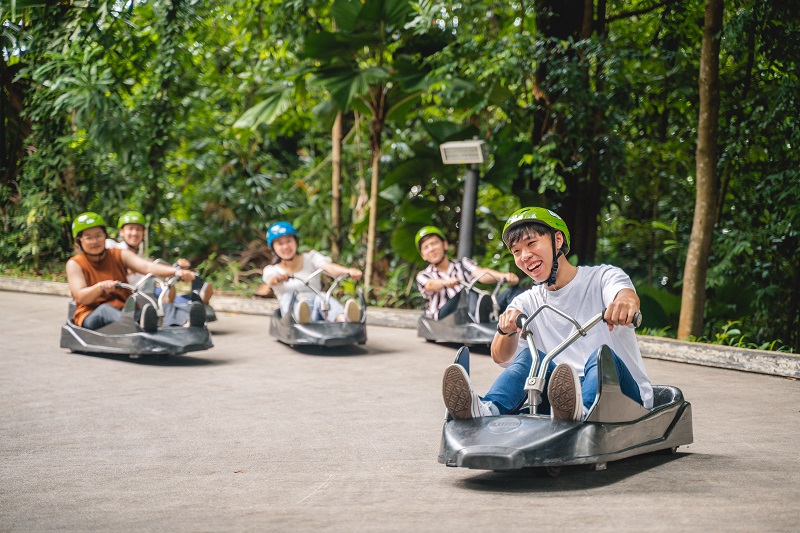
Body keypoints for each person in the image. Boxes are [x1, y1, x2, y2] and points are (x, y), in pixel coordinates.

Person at [441, 207, 653, 421]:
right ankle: (488, 409)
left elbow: (624, 294)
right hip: (561, 398)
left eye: (531, 244)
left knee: (600, 356)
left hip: (624, 396)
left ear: (557, 240)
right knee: (529, 359)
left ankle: (585, 411)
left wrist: (625, 303)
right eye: (516, 251)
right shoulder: (526, 301)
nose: (524, 256)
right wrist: (505, 330)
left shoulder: (602, 277)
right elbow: (500, 356)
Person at [67, 212, 206, 331]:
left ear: (105, 236)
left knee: (164, 307)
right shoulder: (75, 263)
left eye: (98, 235)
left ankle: (180, 326)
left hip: (125, 311)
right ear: (78, 242)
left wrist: (176, 272)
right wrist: (99, 288)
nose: (95, 241)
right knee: (106, 310)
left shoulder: (119, 254)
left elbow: (147, 267)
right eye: (88, 237)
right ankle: (142, 328)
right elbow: (81, 297)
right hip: (91, 314)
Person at [414, 225, 523, 322]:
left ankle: (519, 321)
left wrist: (503, 276)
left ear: (445, 245)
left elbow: (481, 273)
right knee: (465, 292)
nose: (431, 249)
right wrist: (446, 282)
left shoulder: (463, 264)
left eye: (434, 243)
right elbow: (430, 285)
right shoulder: (423, 275)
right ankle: (479, 316)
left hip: (472, 307)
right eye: (426, 247)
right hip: (443, 315)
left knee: (511, 292)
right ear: (423, 255)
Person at [261, 221, 362, 323]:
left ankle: (344, 319)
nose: (286, 247)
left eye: (288, 241)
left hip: (317, 308)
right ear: (273, 248)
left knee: (322, 296)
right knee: (288, 297)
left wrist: (348, 271)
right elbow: (271, 280)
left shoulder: (311, 258)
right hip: (291, 314)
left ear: (295, 241)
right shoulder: (272, 270)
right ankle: (302, 319)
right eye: (280, 244)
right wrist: (279, 278)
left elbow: (328, 267)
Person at [106, 210, 213, 305]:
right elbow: (145, 268)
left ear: (143, 233)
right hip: (127, 296)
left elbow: (153, 269)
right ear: (121, 232)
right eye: (130, 229)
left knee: (165, 292)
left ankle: (196, 300)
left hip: (146, 292)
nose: (134, 233)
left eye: (138, 229)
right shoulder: (112, 247)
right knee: (158, 295)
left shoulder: (142, 258)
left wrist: (177, 268)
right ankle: (179, 302)